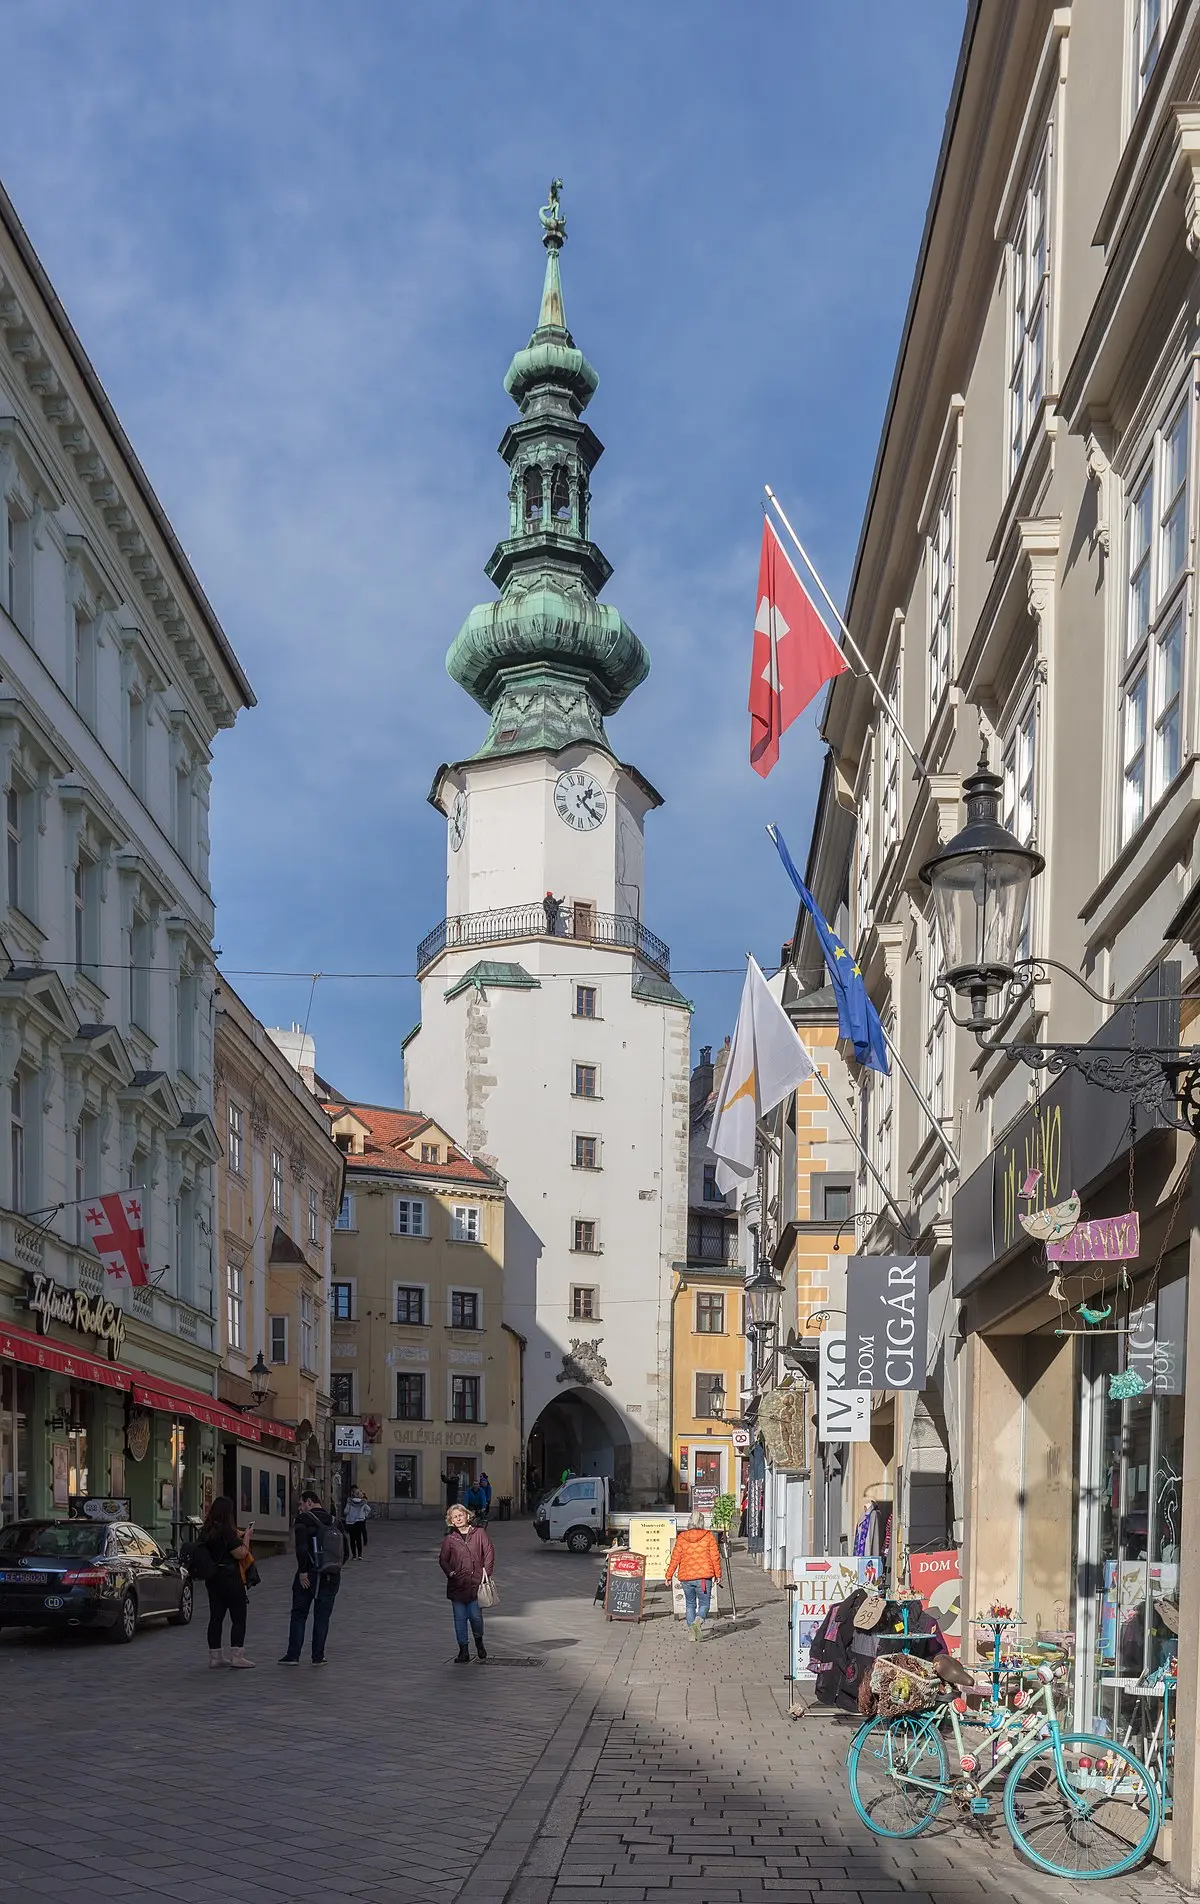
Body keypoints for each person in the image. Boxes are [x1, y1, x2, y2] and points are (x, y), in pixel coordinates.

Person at [279, 1485, 343, 1666]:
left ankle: (293, 1656)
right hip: (331, 1574)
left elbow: (301, 1548)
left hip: (309, 1574)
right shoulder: (335, 1521)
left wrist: (303, 1571)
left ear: (309, 1502)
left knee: (299, 1613)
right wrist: (334, 1567)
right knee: (322, 1615)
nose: (300, 1508)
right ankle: (318, 1656)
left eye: (301, 1503)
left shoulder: (303, 1519)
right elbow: (343, 1552)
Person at [199, 1495, 254, 1669]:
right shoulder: (226, 1532)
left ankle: (215, 1656)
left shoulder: (206, 1530)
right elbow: (241, 1553)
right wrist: (247, 1537)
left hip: (213, 1579)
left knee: (216, 1617)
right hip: (231, 1579)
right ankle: (237, 1656)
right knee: (238, 1616)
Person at [438, 1501, 494, 1663]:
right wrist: (450, 1572)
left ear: (467, 1516)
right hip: (457, 1584)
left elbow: (489, 1551)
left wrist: (486, 1571)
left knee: (475, 1617)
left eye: (460, 1515)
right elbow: (443, 1559)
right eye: (454, 1517)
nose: (458, 1518)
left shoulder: (479, 1533)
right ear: (451, 1521)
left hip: (476, 1583)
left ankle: (479, 1642)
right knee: (460, 1619)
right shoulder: (450, 1538)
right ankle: (463, 1650)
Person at [665, 1512, 722, 1641]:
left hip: (686, 1578)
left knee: (690, 1604)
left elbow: (675, 1558)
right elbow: (715, 1557)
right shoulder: (708, 1536)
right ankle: (698, 1621)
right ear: (702, 1522)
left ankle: (692, 1632)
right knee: (704, 1604)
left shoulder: (682, 1537)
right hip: (703, 1578)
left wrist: (668, 1576)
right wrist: (718, 1575)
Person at [344, 1486, 371, 1559]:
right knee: (358, 1538)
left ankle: (354, 1555)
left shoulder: (349, 1502)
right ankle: (360, 1555)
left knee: (352, 1539)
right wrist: (364, 1515)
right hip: (359, 1521)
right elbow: (368, 1509)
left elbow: (346, 1511)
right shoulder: (363, 1502)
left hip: (350, 1522)